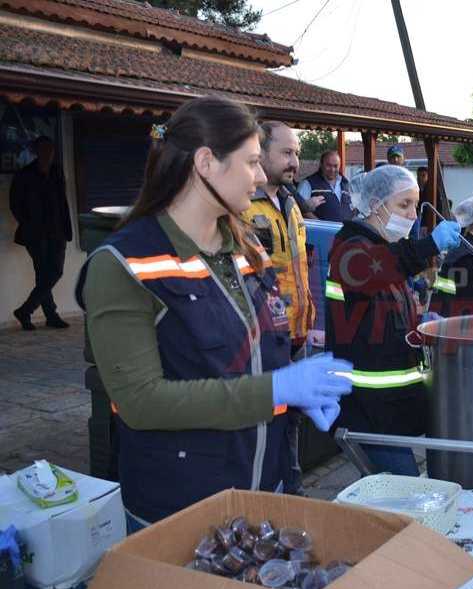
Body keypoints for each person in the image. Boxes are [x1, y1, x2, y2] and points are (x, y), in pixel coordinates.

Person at [76, 96, 352, 530]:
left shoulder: (248, 246)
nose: (261, 176)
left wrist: (300, 387)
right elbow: (141, 403)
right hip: (182, 510)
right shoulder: (123, 264)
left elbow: (259, 351)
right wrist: (277, 389)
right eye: (251, 162)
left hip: (265, 489)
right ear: (206, 162)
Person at [324, 164, 461, 475]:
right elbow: (375, 271)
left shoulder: (381, 248)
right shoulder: (351, 247)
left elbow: (381, 307)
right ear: (375, 205)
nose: (413, 215)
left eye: (415, 204)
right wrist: (429, 245)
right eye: (404, 204)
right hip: (366, 408)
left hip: (388, 406)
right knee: (402, 490)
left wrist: (420, 321)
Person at [243, 121, 316, 357]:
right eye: (286, 153)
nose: (295, 163)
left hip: (299, 332)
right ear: (260, 153)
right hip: (263, 338)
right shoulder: (242, 206)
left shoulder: (292, 204)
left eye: (296, 153)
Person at [10, 135, 72, 330]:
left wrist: (65, 228)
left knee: (54, 272)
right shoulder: (24, 175)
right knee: (44, 273)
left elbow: (62, 202)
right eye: (44, 150)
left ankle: (26, 310)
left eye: (51, 150)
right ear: (37, 152)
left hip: (57, 232)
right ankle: (50, 315)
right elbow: (15, 204)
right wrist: (28, 224)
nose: (48, 154)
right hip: (35, 234)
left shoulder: (56, 172)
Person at [297, 149, 352, 222]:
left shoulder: (345, 183)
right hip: (320, 232)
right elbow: (299, 209)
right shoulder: (307, 183)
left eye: (335, 166)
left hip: (345, 232)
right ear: (321, 164)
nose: (332, 169)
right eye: (328, 165)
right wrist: (322, 225)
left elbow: (351, 208)